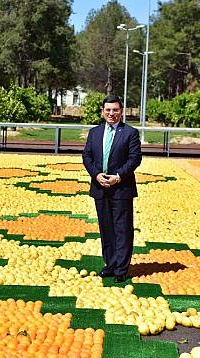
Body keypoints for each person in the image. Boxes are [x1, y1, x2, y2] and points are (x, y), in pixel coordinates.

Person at [82, 95, 142, 283]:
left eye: (115, 110)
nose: (111, 113)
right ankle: (111, 264)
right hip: (100, 187)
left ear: (121, 111)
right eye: (108, 110)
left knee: (122, 228)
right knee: (106, 227)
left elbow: (135, 158)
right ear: (102, 112)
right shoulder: (94, 132)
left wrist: (118, 176)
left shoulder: (130, 133)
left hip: (121, 188)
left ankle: (122, 269)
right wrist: (96, 175)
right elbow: (87, 156)